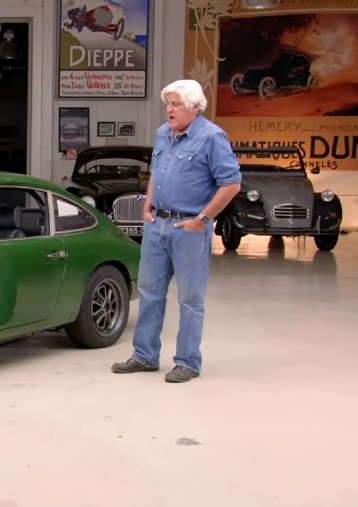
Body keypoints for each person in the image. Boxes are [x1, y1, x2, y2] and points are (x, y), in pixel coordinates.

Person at [111, 79, 241, 383]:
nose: (169, 109)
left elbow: (231, 184)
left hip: (189, 229)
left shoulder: (211, 137)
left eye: (176, 104)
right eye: (168, 103)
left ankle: (188, 362)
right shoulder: (163, 133)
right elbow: (157, 173)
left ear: (194, 106)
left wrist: (202, 220)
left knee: (190, 299)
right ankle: (144, 356)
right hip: (157, 225)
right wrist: (148, 205)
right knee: (149, 292)